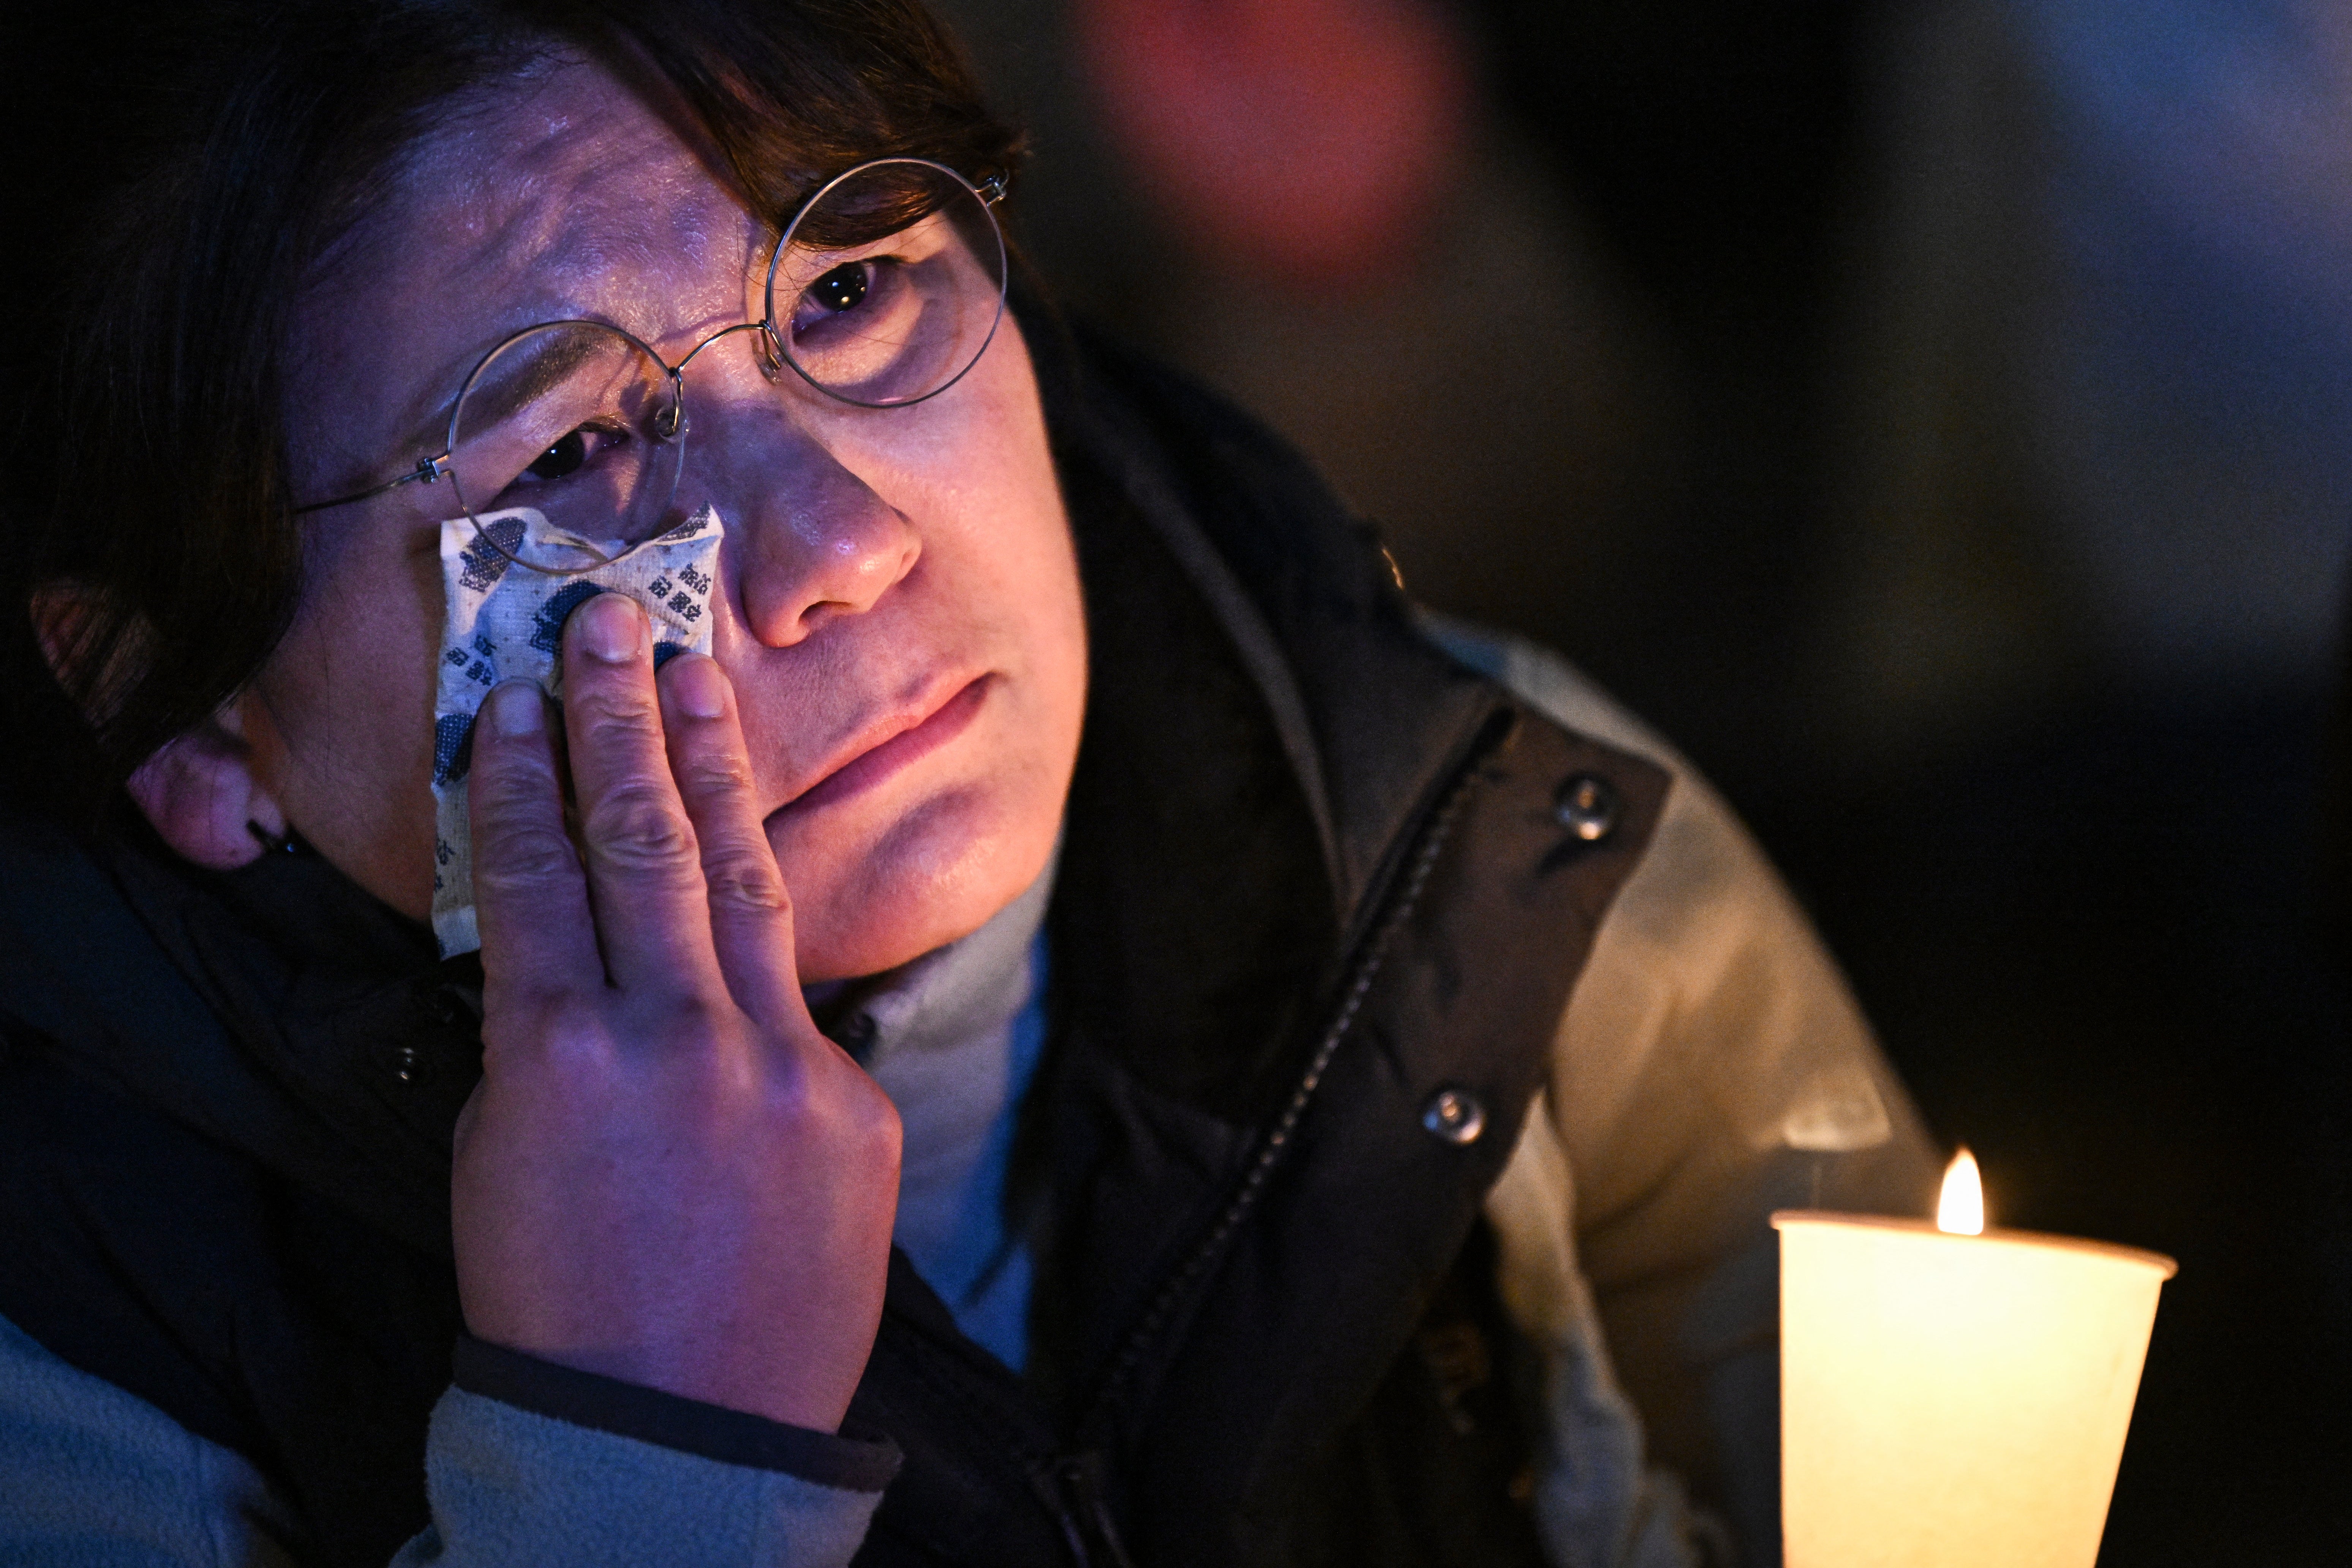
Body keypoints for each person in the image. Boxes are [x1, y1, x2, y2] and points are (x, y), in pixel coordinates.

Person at [0, 2, 1936, 1564]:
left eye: (848, 292)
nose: (837, 539)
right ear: (182, 724)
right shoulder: (82, 1336)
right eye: (562, 458)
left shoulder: (1490, 829)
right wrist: (640, 1460)